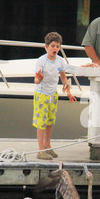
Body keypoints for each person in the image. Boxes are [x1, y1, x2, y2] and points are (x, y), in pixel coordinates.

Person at [33, 32, 76, 160]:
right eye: (52, 46)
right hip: (41, 94)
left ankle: (47, 145)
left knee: (50, 121)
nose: (55, 49)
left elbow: (62, 74)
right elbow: (36, 79)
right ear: (46, 47)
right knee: (41, 122)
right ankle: (41, 150)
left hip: (53, 94)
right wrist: (39, 79)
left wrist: (66, 86)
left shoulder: (60, 61)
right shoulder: (41, 61)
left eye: (57, 46)